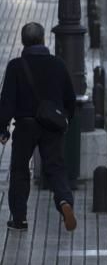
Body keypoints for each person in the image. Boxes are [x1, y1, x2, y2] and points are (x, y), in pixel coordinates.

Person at [0, 23, 77, 232]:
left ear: (23, 42)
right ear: (44, 40)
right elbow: (70, 98)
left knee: (19, 170)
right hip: (51, 126)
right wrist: (67, 118)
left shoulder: (16, 66)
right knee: (56, 168)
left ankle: (19, 219)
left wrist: (3, 129)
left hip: (25, 126)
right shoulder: (57, 65)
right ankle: (64, 202)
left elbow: (6, 101)